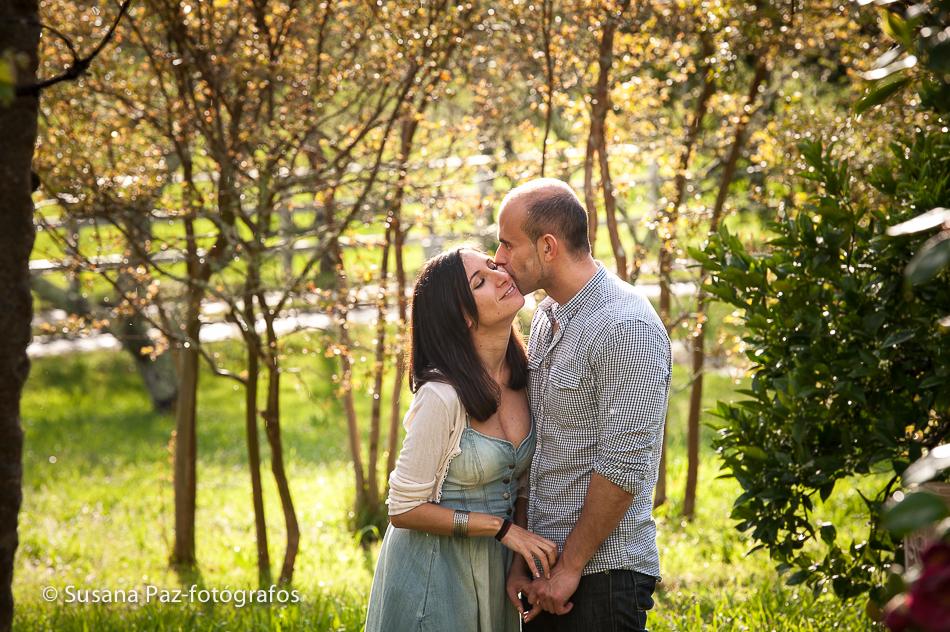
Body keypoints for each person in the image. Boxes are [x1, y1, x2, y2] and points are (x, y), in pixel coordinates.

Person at [493, 178, 672, 631]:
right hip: (544, 571)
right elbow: (539, 447)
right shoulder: (548, 317)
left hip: (603, 576)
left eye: (508, 245)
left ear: (548, 247)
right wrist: (524, 555)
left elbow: (624, 464)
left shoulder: (625, 324)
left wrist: (571, 567)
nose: (499, 259)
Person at [365, 248, 559, 632]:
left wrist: (519, 561)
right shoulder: (442, 396)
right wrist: (503, 530)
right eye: (481, 281)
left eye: (491, 265)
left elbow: (521, 484)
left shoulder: (527, 376)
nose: (501, 274)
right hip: (434, 572)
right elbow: (402, 509)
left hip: (497, 570)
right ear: (464, 317)